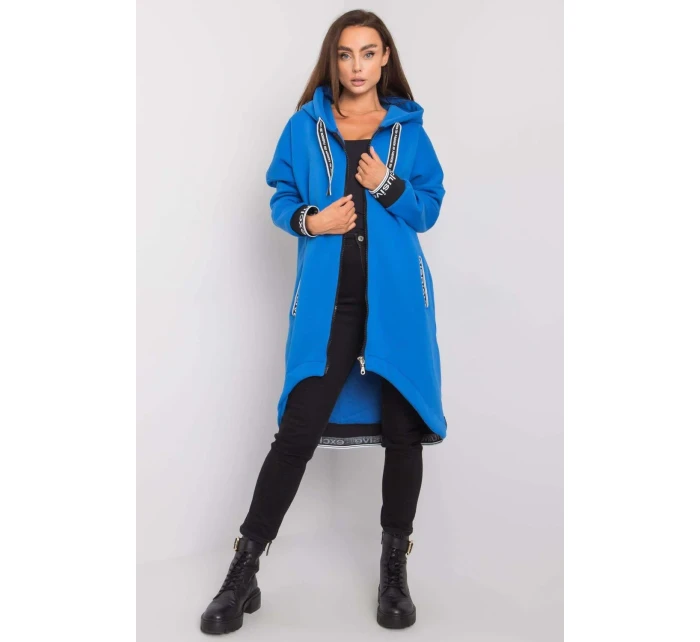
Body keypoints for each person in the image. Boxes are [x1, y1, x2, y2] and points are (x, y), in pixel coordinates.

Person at [200, 9, 447, 635]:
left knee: (403, 432)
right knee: (296, 432)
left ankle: (394, 572)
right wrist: (314, 221)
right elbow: (281, 196)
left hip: (398, 306)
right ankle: (243, 572)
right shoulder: (304, 126)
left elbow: (428, 209)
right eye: (345, 54)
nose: (357, 66)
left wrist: (387, 185)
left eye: (368, 53)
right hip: (328, 306)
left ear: (385, 58)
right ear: (332, 60)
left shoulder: (408, 131)